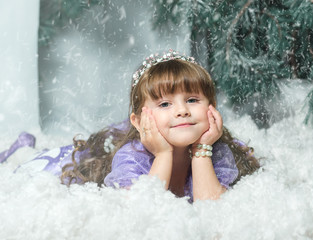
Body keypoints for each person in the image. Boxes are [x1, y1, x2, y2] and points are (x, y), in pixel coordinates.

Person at [1, 50, 259, 202]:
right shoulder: (132, 156)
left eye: (192, 100)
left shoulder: (217, 150)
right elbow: (142, 209)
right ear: (138, 120)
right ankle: (21, 147)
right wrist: (163, 154)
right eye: (165, 104)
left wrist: (202, 149)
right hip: (81, 159)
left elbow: (212, 207)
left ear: (212, 107)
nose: (182, 110)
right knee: (33, 168)